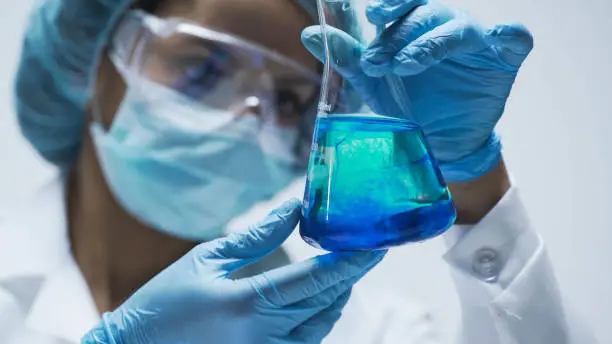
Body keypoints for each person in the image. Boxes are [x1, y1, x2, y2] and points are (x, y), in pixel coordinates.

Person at [0, 0, 597, 343]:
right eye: (201, 69)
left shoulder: (362, 329)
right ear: (91, 63)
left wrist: (471, 182)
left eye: (288, 102)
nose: (244, 118)